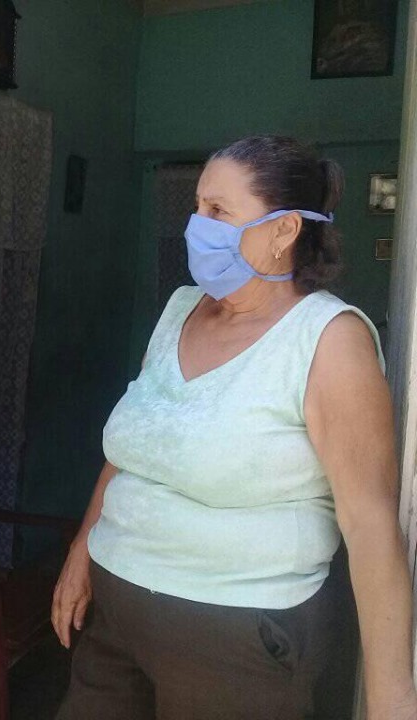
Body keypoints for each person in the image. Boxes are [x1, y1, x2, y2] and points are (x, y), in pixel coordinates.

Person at [51, 136, 417, 720]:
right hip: (115, 619)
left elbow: (371, 528)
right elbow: (136, 447)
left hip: (235, 642)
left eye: (218, 211)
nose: (198, 225)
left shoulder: (328, 340)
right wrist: (80, 551)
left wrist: (391, 705)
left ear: (284, 230)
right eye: (197, 207)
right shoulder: (180, 309)